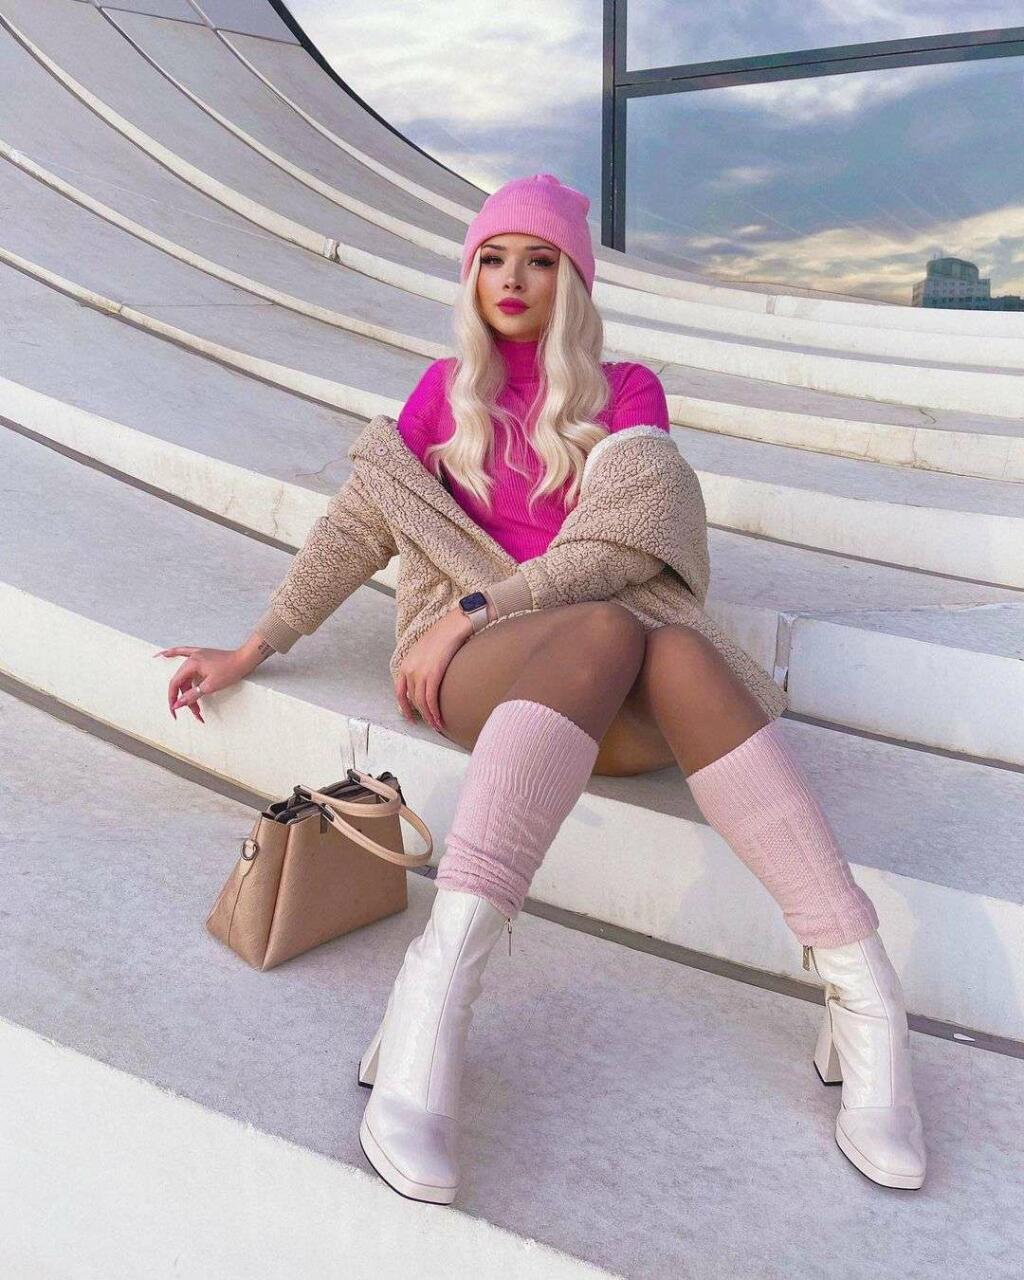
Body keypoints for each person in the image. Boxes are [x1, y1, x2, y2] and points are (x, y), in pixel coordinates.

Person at [156, 174, 926, 1204]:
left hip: (570, 651)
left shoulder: (629, 394)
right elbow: (354, 530)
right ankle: (437, 986)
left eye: (539, 259)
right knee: (613, 630)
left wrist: (486, 602)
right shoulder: (443, 395)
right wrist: (255, 647)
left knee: (675, 651)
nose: (511, 278)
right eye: (492, 258)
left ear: (575, 280)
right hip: (480, 671)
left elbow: (624, 547)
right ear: (470, 275)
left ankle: (863, 990)